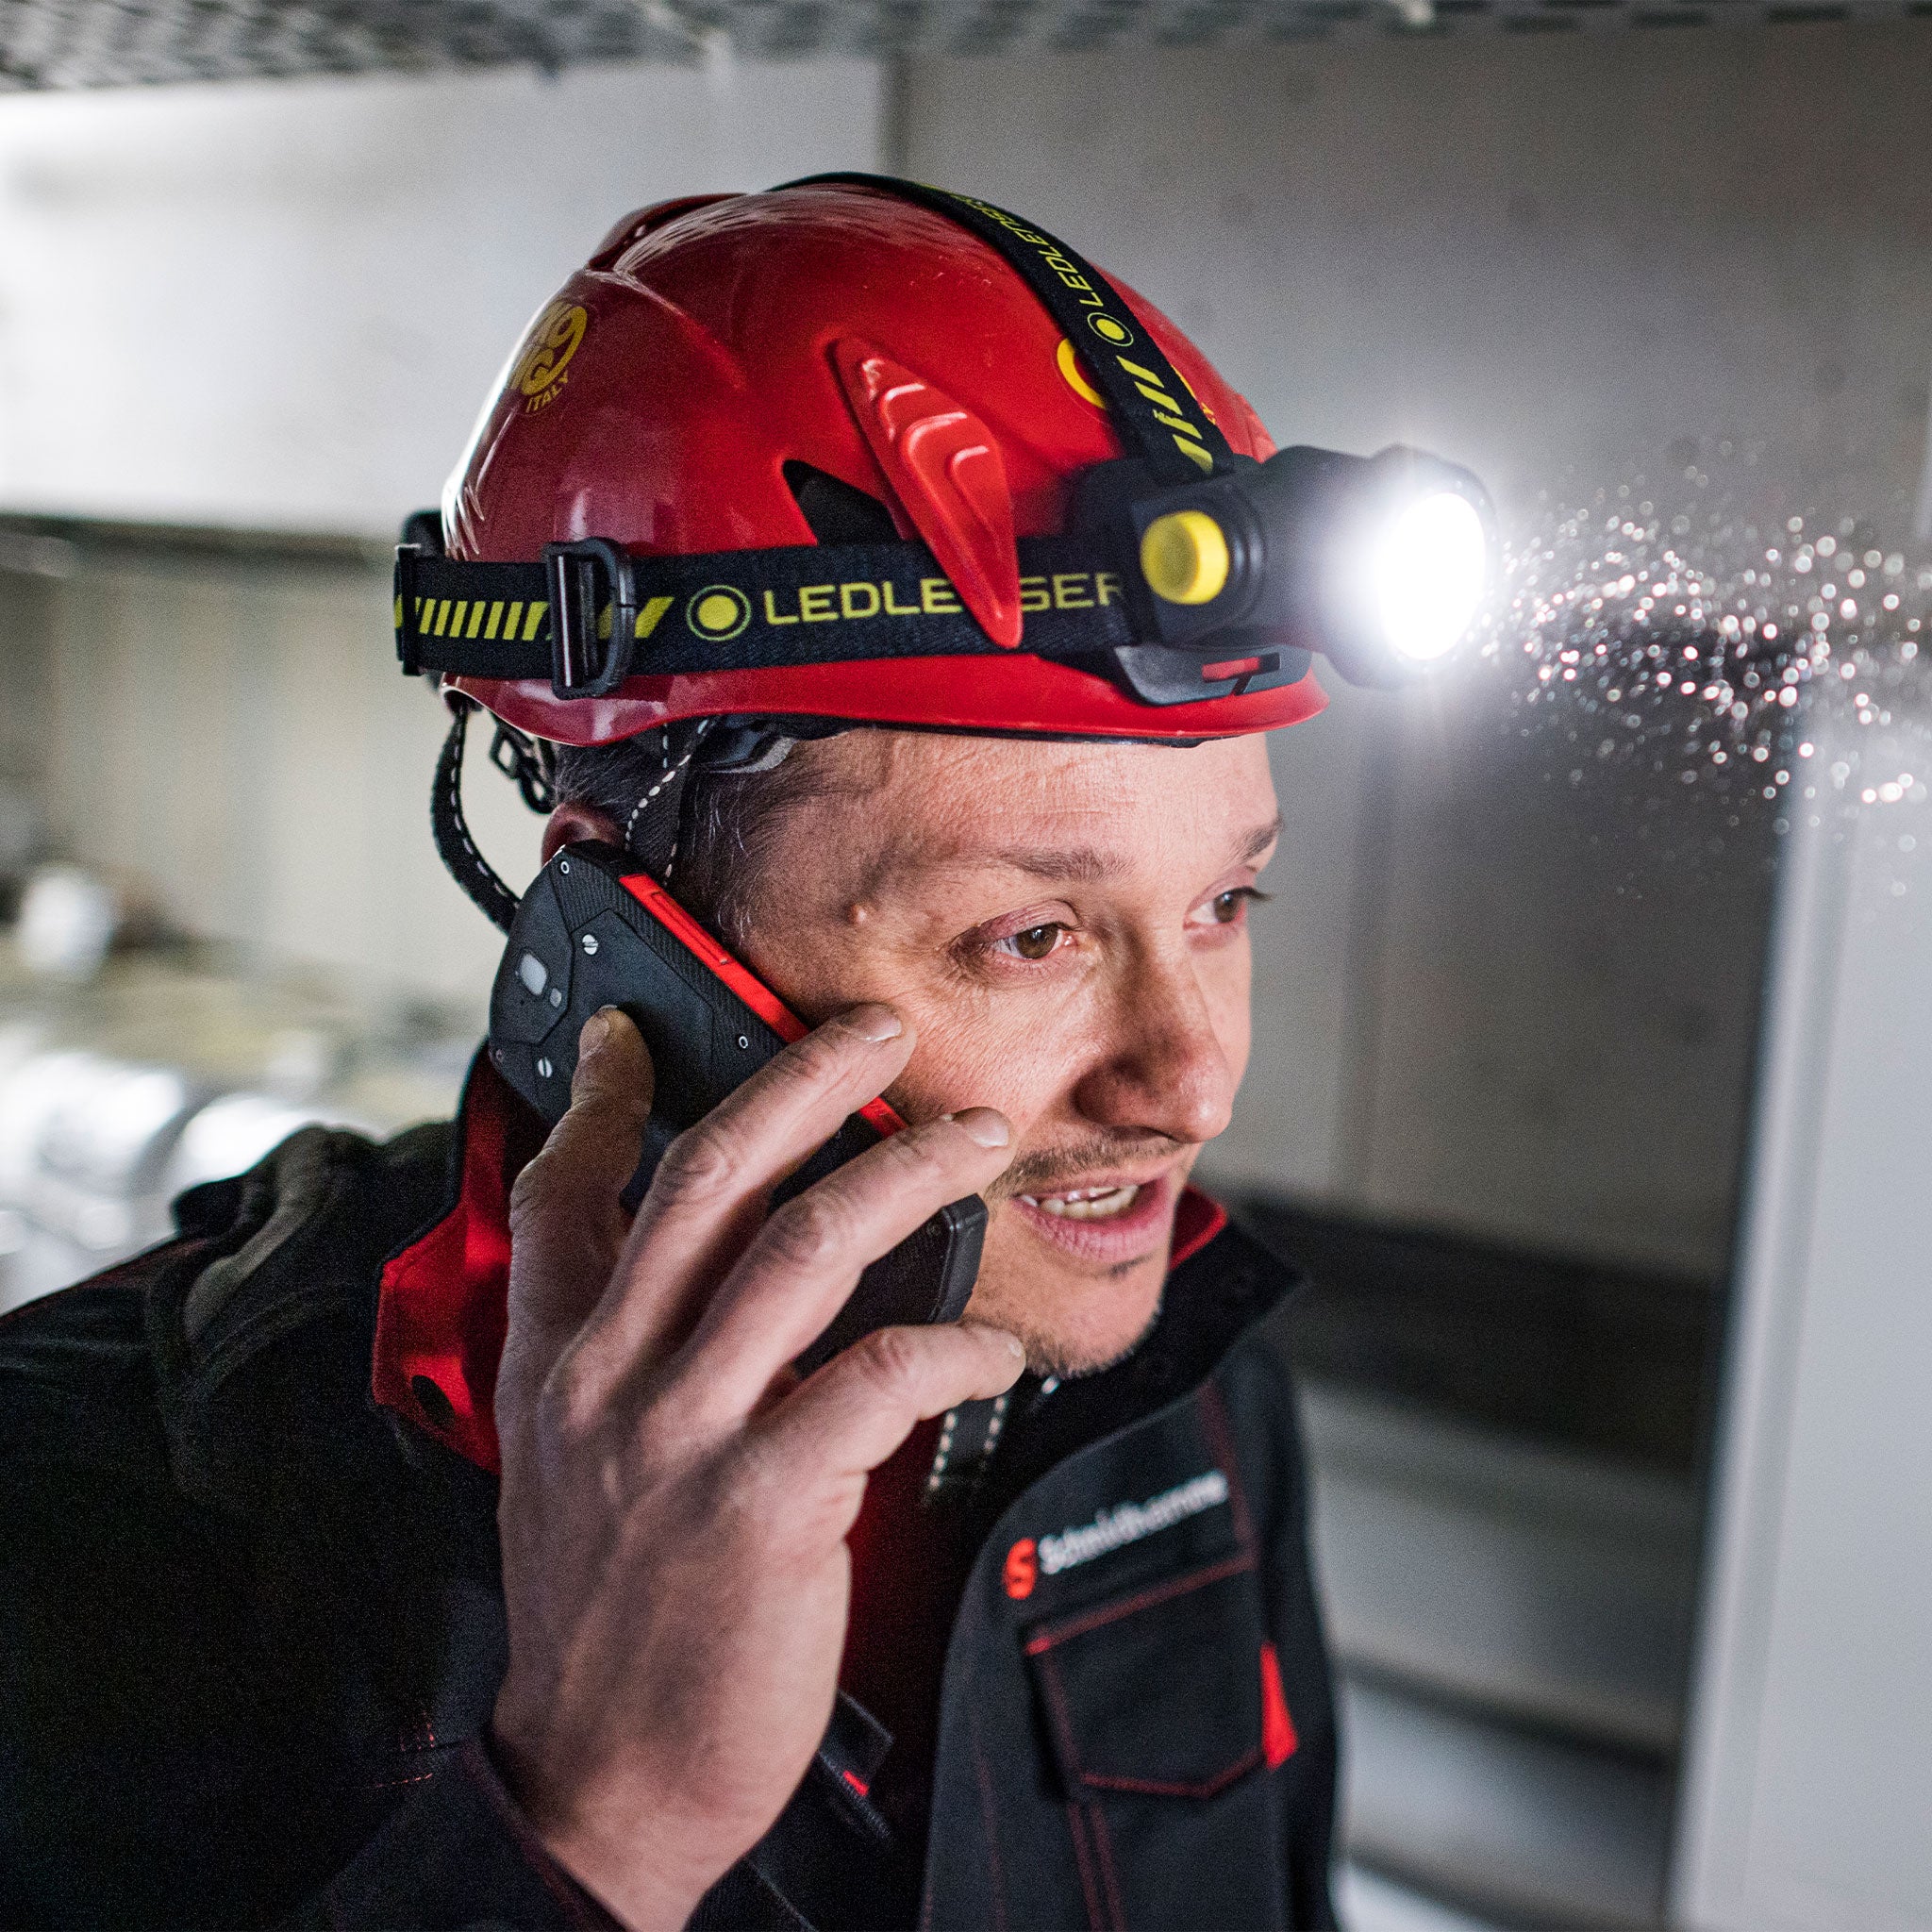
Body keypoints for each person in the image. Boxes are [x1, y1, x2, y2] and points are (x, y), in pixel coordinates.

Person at [0, 177, 1350, 1930]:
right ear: (629, 939)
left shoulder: (1193, 1403)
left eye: (1227, 903)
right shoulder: (87, 1511)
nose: (1192, 1084)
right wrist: (589, 1824)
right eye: (1031, 937)